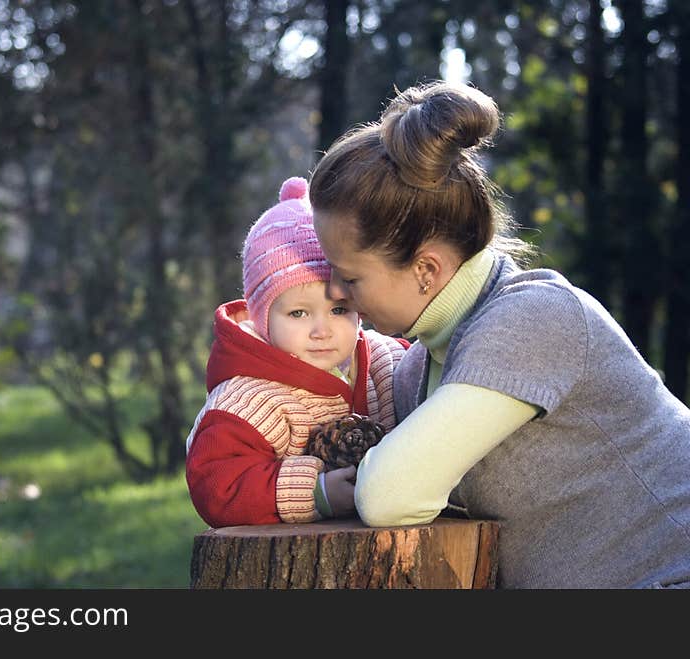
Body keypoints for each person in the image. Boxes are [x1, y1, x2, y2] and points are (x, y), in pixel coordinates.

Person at [308, 80, 690, 589]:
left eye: (350, 275)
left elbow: (388, 496)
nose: (334, 288)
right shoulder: (415, 370)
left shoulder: (535, 318)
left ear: (425, 268)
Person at [185, 177, 409, 528]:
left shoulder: (388, 362)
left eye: (339, 310)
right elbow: (217, 484)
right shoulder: (247, 401)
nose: (322, 331)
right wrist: (315, 491)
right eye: (298, 314)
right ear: (263, 318)